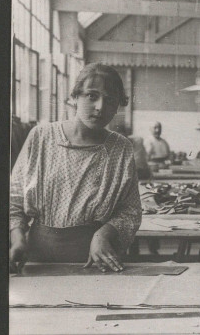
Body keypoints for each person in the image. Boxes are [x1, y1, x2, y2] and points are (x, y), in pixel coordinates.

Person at [10, 63, 142, 272]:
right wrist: (17, 237)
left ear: (118, 106)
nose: (100, 107)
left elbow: (130, 210)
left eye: (109, 100)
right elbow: (14, 199)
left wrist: (104, 234)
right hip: (38, 259)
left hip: (96, 260)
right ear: (75, 97)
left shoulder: (120, 147)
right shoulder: (41, 137)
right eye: (91, 96)